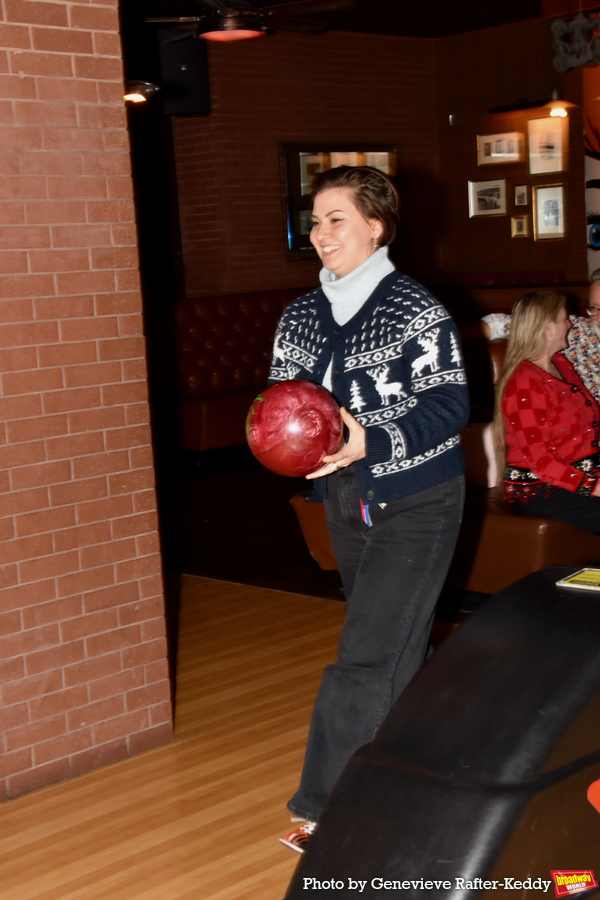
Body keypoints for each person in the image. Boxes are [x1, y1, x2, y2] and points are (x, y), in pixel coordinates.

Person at [268, 165, 470, 852]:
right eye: (315, 221)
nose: (320, 233)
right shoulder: (300, 314)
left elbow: (450, 405)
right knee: (394, 648)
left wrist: (370, 440)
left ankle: (331, 807)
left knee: (366, 653)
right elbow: (283, 405)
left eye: (337, 219)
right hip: (348, 497)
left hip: (418, 494)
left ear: (376, 226)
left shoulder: (414, 307)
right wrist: (282, 445)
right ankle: (426, 772)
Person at [494, 290, 600, 532]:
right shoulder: (524, 382)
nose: (570, 324)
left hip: (578, 475)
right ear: (548, 328)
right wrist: (593, 486)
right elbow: (542, 462)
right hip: (538, 488)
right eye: (564, 318)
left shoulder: (561, 364)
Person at [482, 269, 600, 402]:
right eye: (594, 307)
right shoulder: (573, 331)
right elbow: (498, 325)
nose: (599, 317)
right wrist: (456, 340)